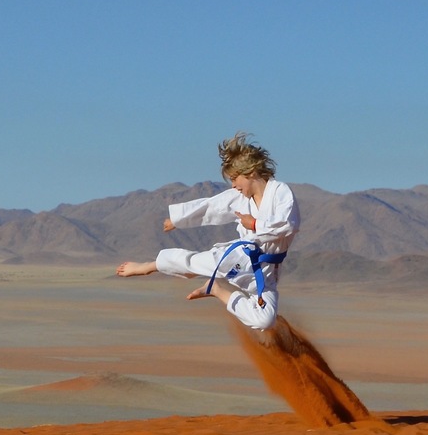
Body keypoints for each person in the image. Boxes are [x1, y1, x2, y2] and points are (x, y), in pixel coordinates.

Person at [115, 133, 300, 330]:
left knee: (264, 320)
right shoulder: (240, 198)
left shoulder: (280, 193)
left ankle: (217, 290)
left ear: (251, 172)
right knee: (194, 265)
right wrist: (178, 219)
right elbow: (213, 206)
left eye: (235, 179)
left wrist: (254, 224)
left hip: (267, 270)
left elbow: (288, 224)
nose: (234, 185)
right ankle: (149, 266)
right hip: (241, 256)